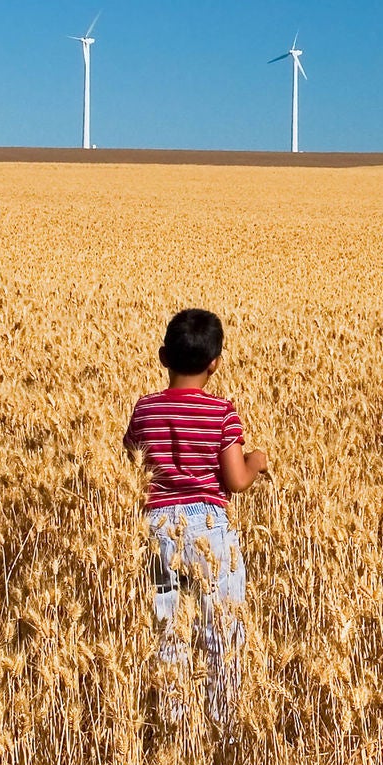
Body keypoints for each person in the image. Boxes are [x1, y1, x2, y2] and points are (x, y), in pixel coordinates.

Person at [123, 309, 271, 725]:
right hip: (208, 526)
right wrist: (255, 461)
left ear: (162, 356)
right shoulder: (221, 413)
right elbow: (235, 479)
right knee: (220, 628)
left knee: (168, 627)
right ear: (215, 363)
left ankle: (175, 723)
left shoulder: (146, 409)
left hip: (157, 528)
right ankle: (221, 721)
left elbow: (132, 457)